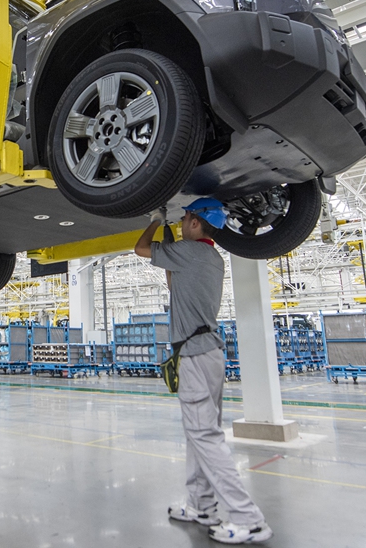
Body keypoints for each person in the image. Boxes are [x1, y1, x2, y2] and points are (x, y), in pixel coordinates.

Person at [135, 199, 272, 545]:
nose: (182, 223)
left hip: (195, 356)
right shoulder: (209, 258)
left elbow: (140, 248)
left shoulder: (190, 252)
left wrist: (153, 222)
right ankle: (201, 505)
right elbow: (172, 283)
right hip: (207, 353)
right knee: (200, 434)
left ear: (197, 224)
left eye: (185, 218)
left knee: (205, 438)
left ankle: (248, 519)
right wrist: (167, 239)